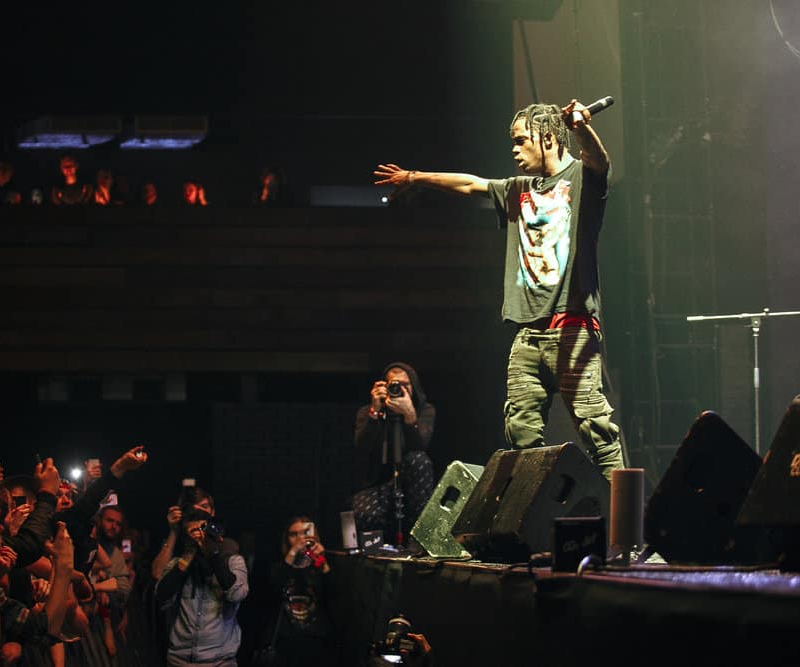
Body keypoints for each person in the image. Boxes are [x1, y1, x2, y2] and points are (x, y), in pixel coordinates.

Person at [373, 99, 625, 481]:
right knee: (521, 435)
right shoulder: (518, 190)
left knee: (598, 432)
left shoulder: (580, 180)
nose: (514, 149)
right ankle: (535, 529)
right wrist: (414, 177)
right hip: (528, 336)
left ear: (546, 138)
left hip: (572, 329)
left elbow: (599, 161)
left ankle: (627, 534)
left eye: (522, 140)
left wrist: (580, 128)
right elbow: (469, 183)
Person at [352, 362, 435, 546]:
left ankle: (418, 540)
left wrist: (410, 416)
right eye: (394, 385)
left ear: (414, 387)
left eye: (405, 385)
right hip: (379, 484)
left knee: (419, 459)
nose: (399, 389)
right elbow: (362, 448)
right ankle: (376, 551)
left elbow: (420, 446)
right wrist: (375, 413)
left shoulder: (424, 411)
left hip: (410, 482)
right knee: (362, 512)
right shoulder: (368, 413)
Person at [154, 507, 249, 666]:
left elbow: (237, 594)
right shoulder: (179, 564)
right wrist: (188, 556)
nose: (200, 536)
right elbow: (161, 598)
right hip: (180, 661)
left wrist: (213, 554)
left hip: (220, 662)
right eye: (194, 532)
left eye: (203, 529)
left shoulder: (233, 562)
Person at [253, 516, 337, 667]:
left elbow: (335, 597)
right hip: (284, 642)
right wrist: (292, 553)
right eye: (294, 534)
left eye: (304, 533)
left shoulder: (320, 566)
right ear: (287, 539)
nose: (300, 538)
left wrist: (323, 563)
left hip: (316, 641)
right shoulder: (277, 567)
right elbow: (271, 592)